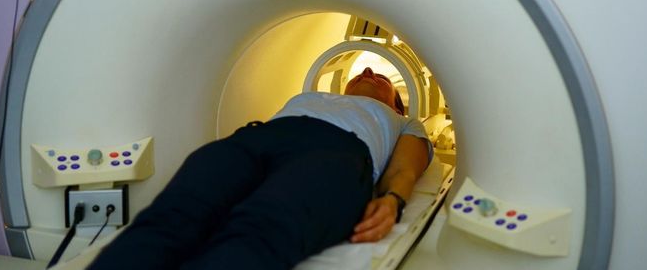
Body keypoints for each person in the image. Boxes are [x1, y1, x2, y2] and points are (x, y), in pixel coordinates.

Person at [88, 67, 432, 270]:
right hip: (257, 139)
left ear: (396, 104)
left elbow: (404, 169)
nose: (368, 72)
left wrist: (393, 200)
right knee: (172, 215)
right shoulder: (310, 97)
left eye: (380, 76)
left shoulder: (402, 121)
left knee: (262, 229)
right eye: (362, 72)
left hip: (337, 153)